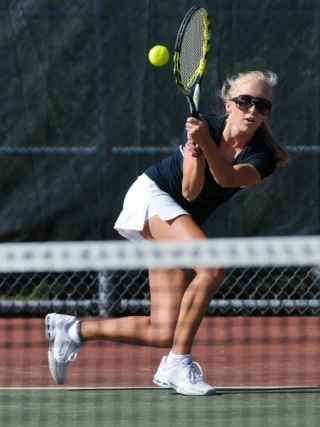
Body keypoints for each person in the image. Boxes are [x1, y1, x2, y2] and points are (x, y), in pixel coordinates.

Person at [45, 70, 290, 396]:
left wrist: (204, 145)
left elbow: (229, 179)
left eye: (262, 106)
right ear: (228, 104)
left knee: (163, 329)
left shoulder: (264, 156)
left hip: (176, 218)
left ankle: (72, 330)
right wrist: (200, 144)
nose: (252, 110)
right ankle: (178, 362)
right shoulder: (205, 126)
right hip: (151, 197)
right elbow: (190, 191)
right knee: (212, 268)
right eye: (245, 101)